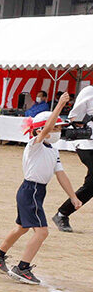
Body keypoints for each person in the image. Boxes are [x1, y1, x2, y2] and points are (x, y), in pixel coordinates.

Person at [0, 95, 82, 285]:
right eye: (55, 128)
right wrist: (60, 104)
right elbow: (46, 128)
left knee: (22, 227)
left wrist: (73, 197)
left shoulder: (52, 150)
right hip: (30, 191)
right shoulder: (34, 145)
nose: (57, 132)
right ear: (41, 130)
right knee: (42, 232)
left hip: (37, 192)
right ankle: (22, 267)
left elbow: (61, 174)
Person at [52, 81, 93, 232]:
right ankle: (62, 213)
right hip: (87, 144)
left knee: (91, 186)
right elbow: (74, 117)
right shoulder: (89, 91)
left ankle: (62, 214)